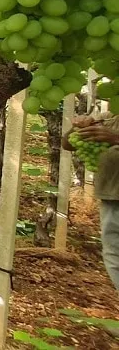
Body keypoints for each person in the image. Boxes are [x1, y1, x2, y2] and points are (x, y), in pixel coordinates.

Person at [62, 113, 119, 291]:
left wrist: (116, 138)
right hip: (111, 196)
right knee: (114, 256)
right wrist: (78, 126)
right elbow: (67, 143)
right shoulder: (110, 116)